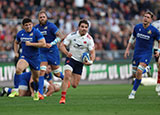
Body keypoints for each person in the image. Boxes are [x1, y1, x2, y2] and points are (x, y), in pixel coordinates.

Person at [124, 10, 160, 99]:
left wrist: (158, 50)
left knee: (139, 72)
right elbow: (132, 38)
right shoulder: (137, 27)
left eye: (148, 17)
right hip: (137, 53)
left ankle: (132, 93)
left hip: (146, 54)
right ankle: (147, 69)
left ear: (151, 20)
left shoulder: (154, 31)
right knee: (135, 75)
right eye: (144, 16)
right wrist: (127, 49)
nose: (145, 18)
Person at [59, 19, 95, 104]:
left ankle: (66, 81)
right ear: (78, 27)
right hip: (71, 59)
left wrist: (91, 61)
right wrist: (66, 53)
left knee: (74, 85)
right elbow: (62, 46)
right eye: (82, 27)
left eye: (86, 27)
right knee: (67, 74)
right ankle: (63, 98)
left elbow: (92, 52)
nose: (84, 28)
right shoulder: (72, 35)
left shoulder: (89, 39)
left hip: (80, 62)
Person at [13, 17, 46, 100]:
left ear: (32, 24)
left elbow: (43, 44)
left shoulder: (36, 32)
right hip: (25, 57)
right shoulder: (20, 33)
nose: (28, 26)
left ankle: (36, 92)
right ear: (23, 26)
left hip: (35, 58)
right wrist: (16, 52)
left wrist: (31, 44)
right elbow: (16, 42)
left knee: (36, 79)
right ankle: (16, 89)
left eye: (29, 24)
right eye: (26, 25)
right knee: (18, 69)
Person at [34, 10, 65, 95]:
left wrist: (51, 44)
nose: (42, 18)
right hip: (42, 52)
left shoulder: (51, 26)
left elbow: (61, 36)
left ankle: (65, 78)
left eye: (44, 17)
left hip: (52, 51)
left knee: (57, 73)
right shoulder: (36, 28)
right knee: (42, 71)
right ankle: (40, 93)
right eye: (40, 17)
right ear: (38, 19)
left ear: (46, 18)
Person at [151, 20, 160, 96]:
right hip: (156, 48)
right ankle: (158, 83)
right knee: (159, 67)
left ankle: (158, 83)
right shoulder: (155, 24)